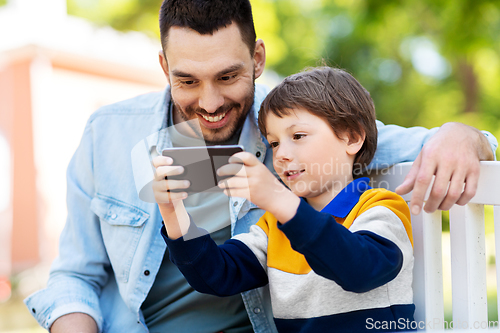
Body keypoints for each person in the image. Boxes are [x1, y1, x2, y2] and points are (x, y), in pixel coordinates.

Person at [24, 0, 496, 332]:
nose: (209, 104)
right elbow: (75, 276)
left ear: (257, 59)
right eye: (187, 80)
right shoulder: (106, 134)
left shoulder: (299, 122)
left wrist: (467, 134)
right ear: (165, 67)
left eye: (228, 76)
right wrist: (175, 220)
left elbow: (389, 143)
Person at [158, 66, 415, 332]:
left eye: (298, 136)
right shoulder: (274, 226)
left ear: (351, 137)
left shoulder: (380, 207)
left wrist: (281, 201)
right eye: (274, 143)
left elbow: (360, 270)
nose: (280, 155)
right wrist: (173, 212)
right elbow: (218, 276)